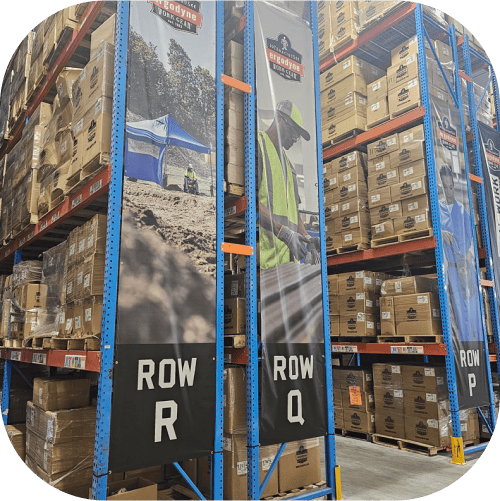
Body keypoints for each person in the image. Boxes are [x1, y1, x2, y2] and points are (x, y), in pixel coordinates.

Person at [257, 100, 320, 270]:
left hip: (287, 264)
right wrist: (282, 232)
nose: (295, 138)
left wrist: (305, 235)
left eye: (298, 135)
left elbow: (294, 210)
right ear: (278, 118)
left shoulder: (288, 165)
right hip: (266, 260)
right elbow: (251, 202)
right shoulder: (258, 146)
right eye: (293, 130)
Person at [439, 164, 483, 342]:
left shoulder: (463, 212)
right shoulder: (438, 210)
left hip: (464, 270)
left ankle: (472, 344)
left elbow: (470, 243)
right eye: (446, 187)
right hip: (448, 270)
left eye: (451, 187)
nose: (449, 192)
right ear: (441, 186)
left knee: (470, 311)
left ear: (454, 186)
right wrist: (441, 233)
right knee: (453, 314)